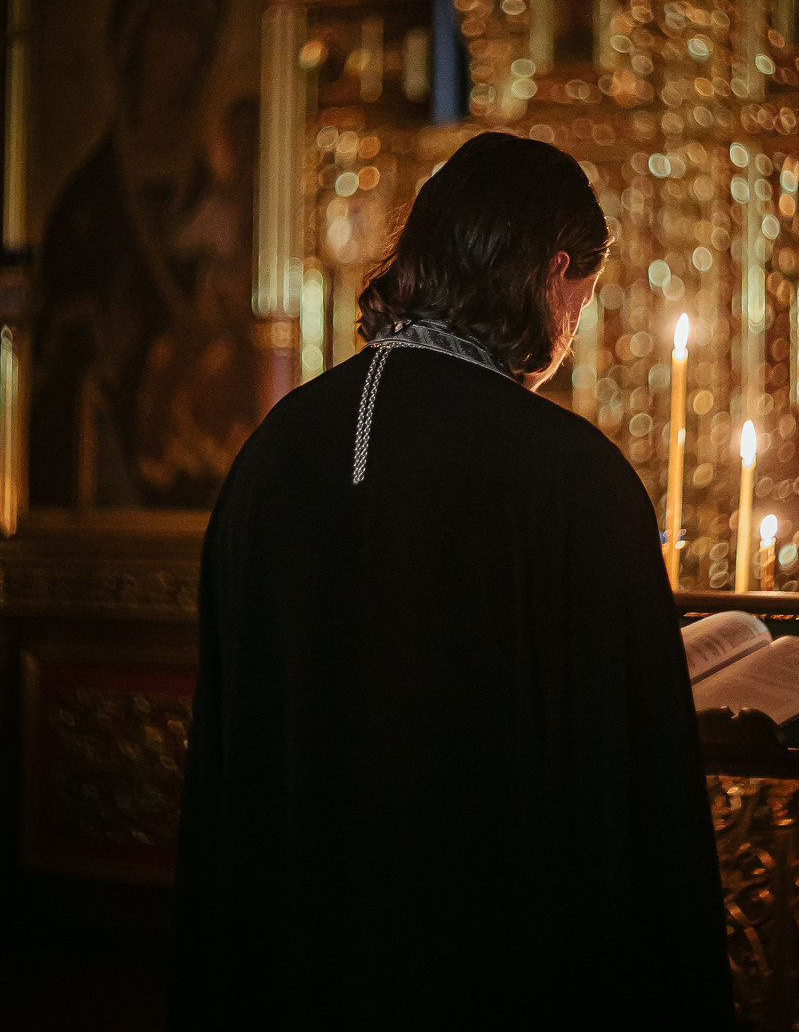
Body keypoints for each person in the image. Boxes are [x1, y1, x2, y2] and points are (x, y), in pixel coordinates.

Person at [170, 131, 735, 1029]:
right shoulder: (572, 479)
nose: (572, 331)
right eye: (582, 303)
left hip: (298, 969)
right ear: (555, 274)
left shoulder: (275, 451)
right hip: (494, 977)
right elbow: (635, 804)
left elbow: (228, 759)